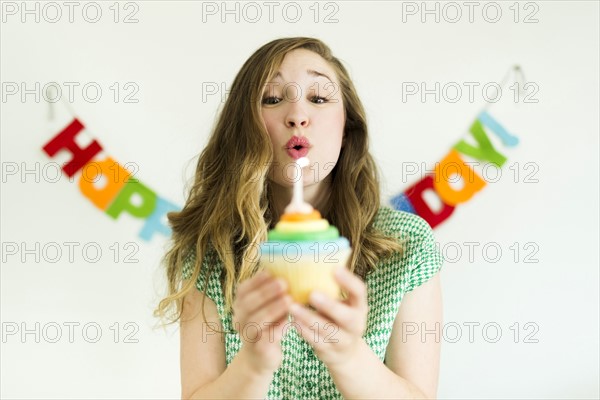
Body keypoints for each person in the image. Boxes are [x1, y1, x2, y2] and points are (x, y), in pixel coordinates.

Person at [155, 37, 444, 399]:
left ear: (346, 128)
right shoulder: (208, 252)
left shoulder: (407, 245)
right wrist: (253, 363)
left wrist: (348, 355)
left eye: (319, 98)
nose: (297, 115)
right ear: (243, 126)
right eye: (273, 99)